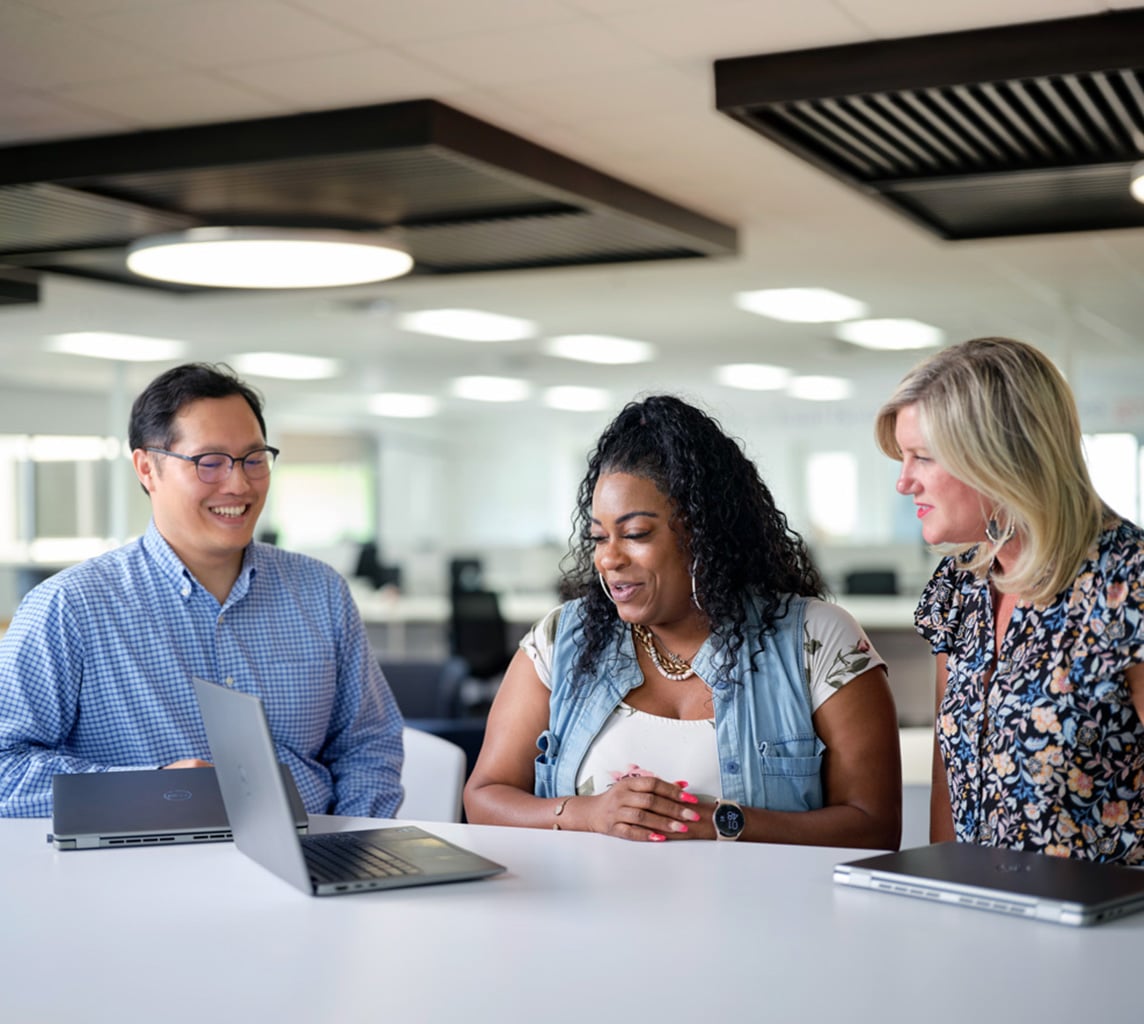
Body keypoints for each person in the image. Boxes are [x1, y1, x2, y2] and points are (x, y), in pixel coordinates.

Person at [464, 395, 901, 846]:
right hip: (583, 911)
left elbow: (875, 827)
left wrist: (720, 823)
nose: (609, 558)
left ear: (703, 532)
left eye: (635, 534)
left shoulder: (818, 640)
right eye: (598, 537)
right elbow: (483, 797)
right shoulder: (563, 640)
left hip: (762, 913)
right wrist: (587, 814)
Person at [0, 362, 404, 818]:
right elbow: (4, 769)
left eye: (254, 459)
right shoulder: (69, 608)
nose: (239, 483)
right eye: (209, 463)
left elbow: (368, 747)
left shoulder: (320, 592)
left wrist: (358, 845)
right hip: (141, 867)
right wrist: (150, 791)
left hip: (313, 854)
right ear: (147, 468)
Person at [875, 336, 1144, 863]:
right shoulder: (960, 588)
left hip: (1111, 930)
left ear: (999, 459)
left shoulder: (1127, 584)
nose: (904, 482)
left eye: (922, 458)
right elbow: (948, 785)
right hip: (986, 922)